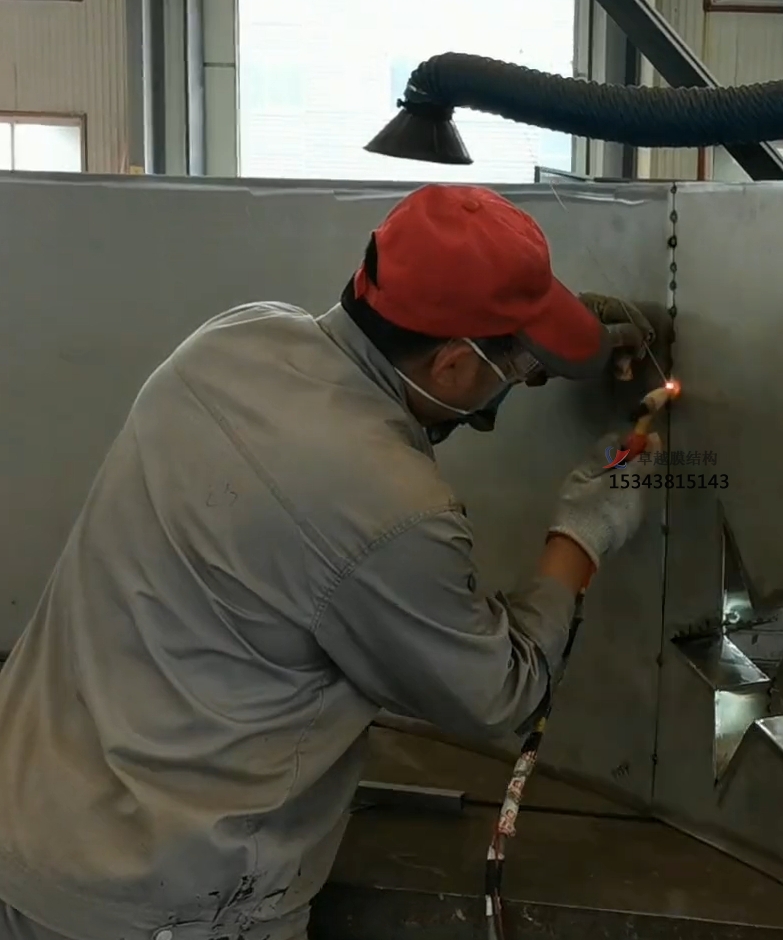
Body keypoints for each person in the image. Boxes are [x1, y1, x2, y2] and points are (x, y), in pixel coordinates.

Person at [0, 184, 662, 940]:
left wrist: (563, 341)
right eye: (510, 367)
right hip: (158, 897)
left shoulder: (232, 339)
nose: (514, 383)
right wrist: (583, 531)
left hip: (29, 817)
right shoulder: (391, 506)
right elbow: (497, 694)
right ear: (452, 363)